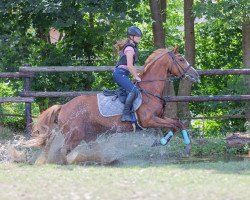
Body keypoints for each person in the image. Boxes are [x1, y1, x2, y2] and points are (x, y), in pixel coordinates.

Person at [113, 26, 142, 122]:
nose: (139, 38)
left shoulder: (131, 47)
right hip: (119, 74)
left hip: (122, 74)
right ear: (131, 37)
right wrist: (135, 76)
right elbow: (129, 65)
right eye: (137, 36)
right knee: (133, 91)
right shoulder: (129, 48)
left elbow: (131, 67)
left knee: (132, 90)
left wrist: (137, 74)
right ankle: (125, 114)